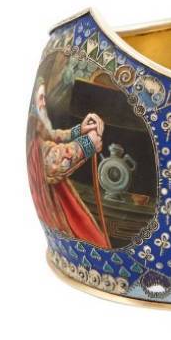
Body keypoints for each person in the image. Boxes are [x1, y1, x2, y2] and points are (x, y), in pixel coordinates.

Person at [27, 78, 109, 247]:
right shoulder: (34, 132)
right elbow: (53, 161)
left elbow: (52, 135)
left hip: (53, 192)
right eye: (41, 98)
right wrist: (88, 143)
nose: (43, 103)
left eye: (44, 98)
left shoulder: (38, 124)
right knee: (86, 236)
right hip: (50, 199)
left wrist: (80, 130)